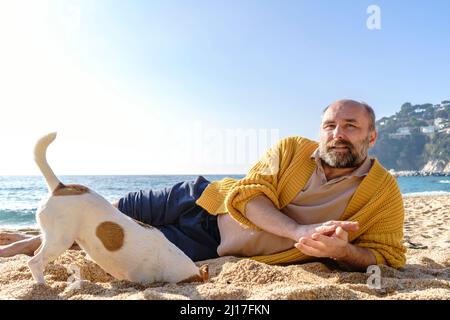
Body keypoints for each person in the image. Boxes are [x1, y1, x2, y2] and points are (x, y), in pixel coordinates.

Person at [0, 99, 406, 271]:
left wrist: (346, 251)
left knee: (105, 237)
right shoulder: (292, 150)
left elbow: (386, 257)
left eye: (351, 126)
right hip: (197, 198)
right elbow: (248, 196)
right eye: (330, 125)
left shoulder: (383, 192)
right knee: (97, 211)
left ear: (371, 137)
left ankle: (23, 240)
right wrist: (298, 231)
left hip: (208, 247)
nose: (338, 133)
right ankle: (22, 243)